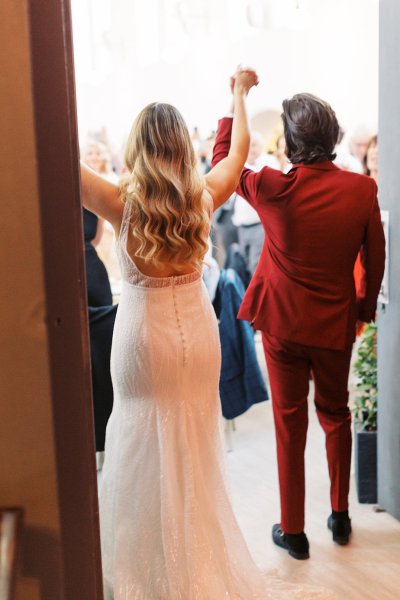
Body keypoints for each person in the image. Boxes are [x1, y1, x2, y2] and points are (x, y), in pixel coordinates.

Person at [79, 69, 333, 599]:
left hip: (143, 340)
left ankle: (146, 576)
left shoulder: (120, 203)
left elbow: (63, 164)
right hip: (197, 335)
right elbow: (239, 149)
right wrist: (238, 94)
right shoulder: (201, 198)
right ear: (177, 148)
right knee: (194, 442)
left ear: (138, 148)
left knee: (141, 437)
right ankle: (197, 566)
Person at [212, 88, 386, 561]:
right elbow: (375, 258)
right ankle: (340, 515)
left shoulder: (273, 186)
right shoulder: (361, 190)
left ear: (289, 142)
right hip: (334, 327)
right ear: (333, 138)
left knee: (290, 426)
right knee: (336, 415)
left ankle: (293, 532)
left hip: (283, 327)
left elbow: (223, 161)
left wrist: (235, 99)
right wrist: (363, 312)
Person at [232, 132, 280, 276]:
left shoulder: (269, 163)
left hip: (259, 225)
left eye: (254, 145)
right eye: (248, 145)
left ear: (261, 146)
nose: (250, 150)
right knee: (245, 264)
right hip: (241, 226)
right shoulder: (240, 164)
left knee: (256, 267)